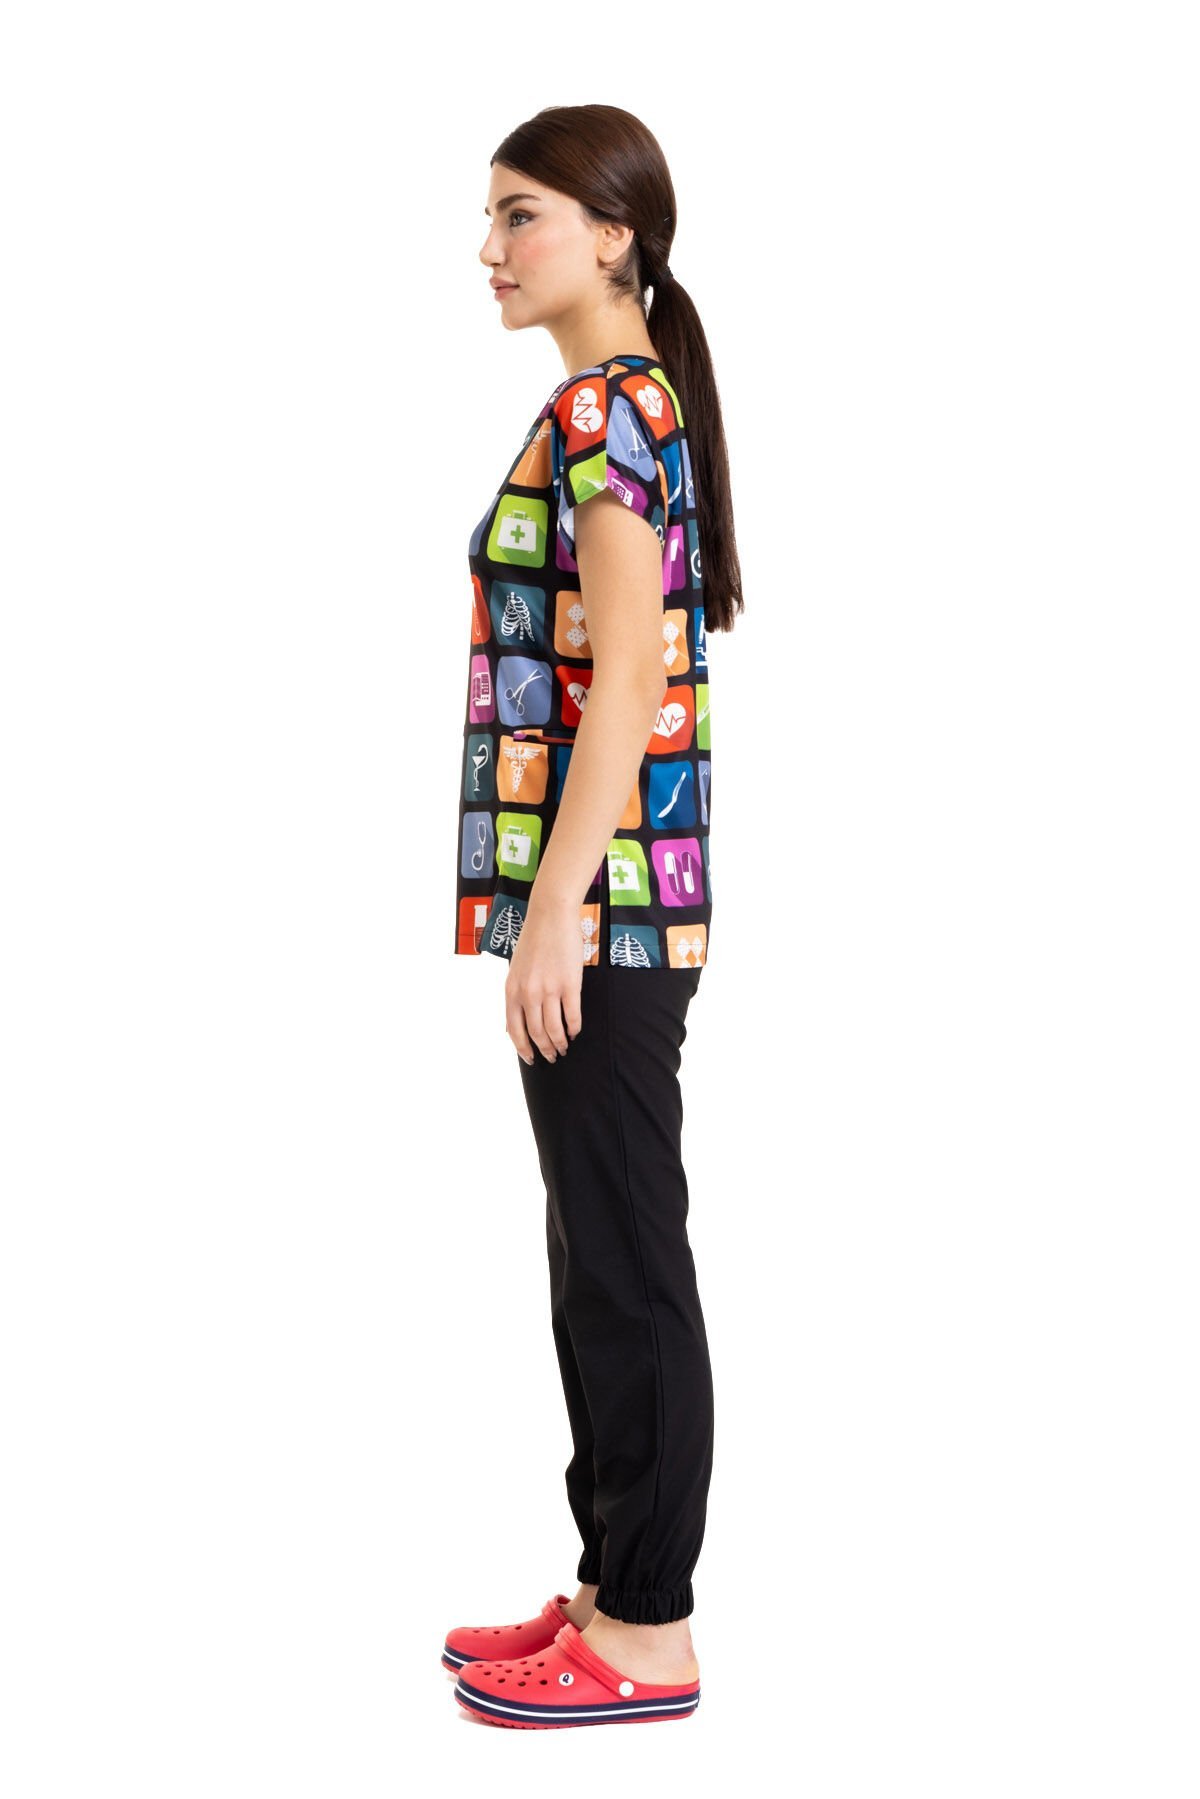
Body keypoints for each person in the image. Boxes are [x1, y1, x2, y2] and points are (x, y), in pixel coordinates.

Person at [447, 103, 744, 1730]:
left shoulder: (613, 406)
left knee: (626, 1255)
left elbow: (626, 681)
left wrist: (556, 910)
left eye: (523, 215)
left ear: (615, 234)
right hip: (598, 906)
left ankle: (649, 1633)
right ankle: (612, 1582)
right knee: (595, 1253)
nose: (491, 250)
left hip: (609, 909)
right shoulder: (614, 404)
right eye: (492, 218)